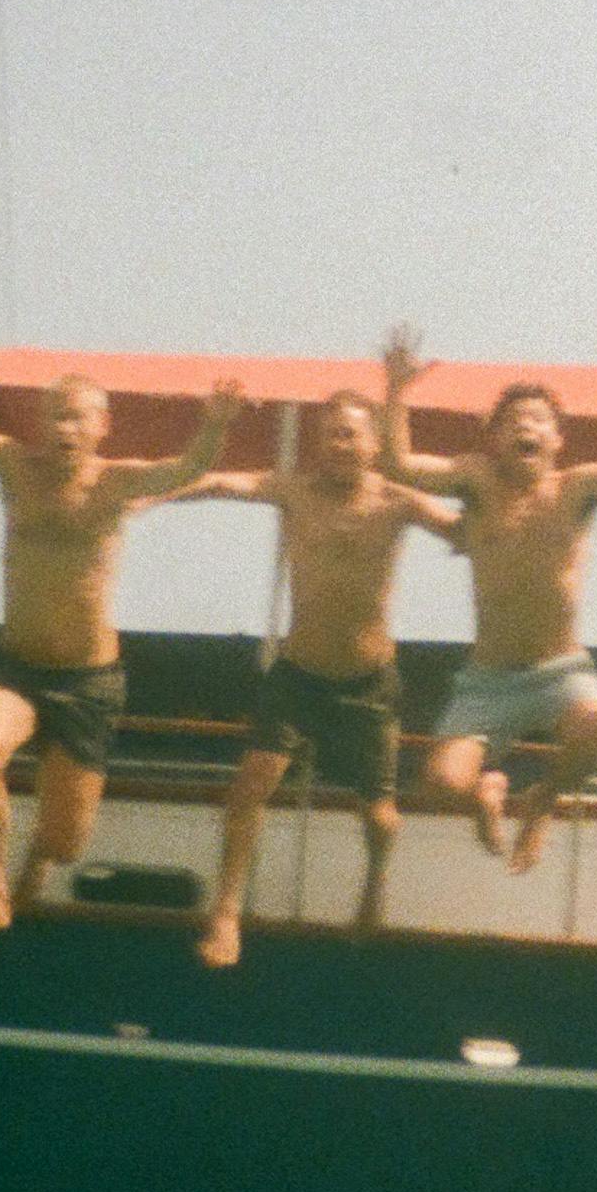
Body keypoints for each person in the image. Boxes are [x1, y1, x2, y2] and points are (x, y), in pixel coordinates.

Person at [0, 365, 247, 945]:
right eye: (56, 415)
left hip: (88, 681)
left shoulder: (115, 483)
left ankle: (37, 863)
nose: (66, 427)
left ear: (102, 426)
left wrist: (214, 425)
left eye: (79, 417)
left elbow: (185, 469)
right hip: (14, 666)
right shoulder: (14, 464)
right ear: (43, 423)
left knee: (65, 845)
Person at [196, 331, 461, 966]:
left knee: (381, 819)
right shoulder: (295, 490)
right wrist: (156, 491)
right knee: (250, 787)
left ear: (374, 444)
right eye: (333, 434)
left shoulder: (398, 501)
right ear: (321, 443)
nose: (343, 444)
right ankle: (227, 912)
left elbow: (467, 531)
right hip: (299, 675)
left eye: (355, 434)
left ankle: (373, 887)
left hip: (369, 683)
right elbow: (224, 483)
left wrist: (397, 394)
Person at [390, 377, 597, 866]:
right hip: (488, 680)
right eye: (514, 421)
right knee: (438, 784)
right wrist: (396, 393)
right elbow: (398, 465)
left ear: (558, 440)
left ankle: (543, 798)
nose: (526, 425)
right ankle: (484, 793)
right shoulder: (477, 480)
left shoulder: (577, 487)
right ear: (495, 439)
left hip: (561, 670)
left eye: (538, 419)